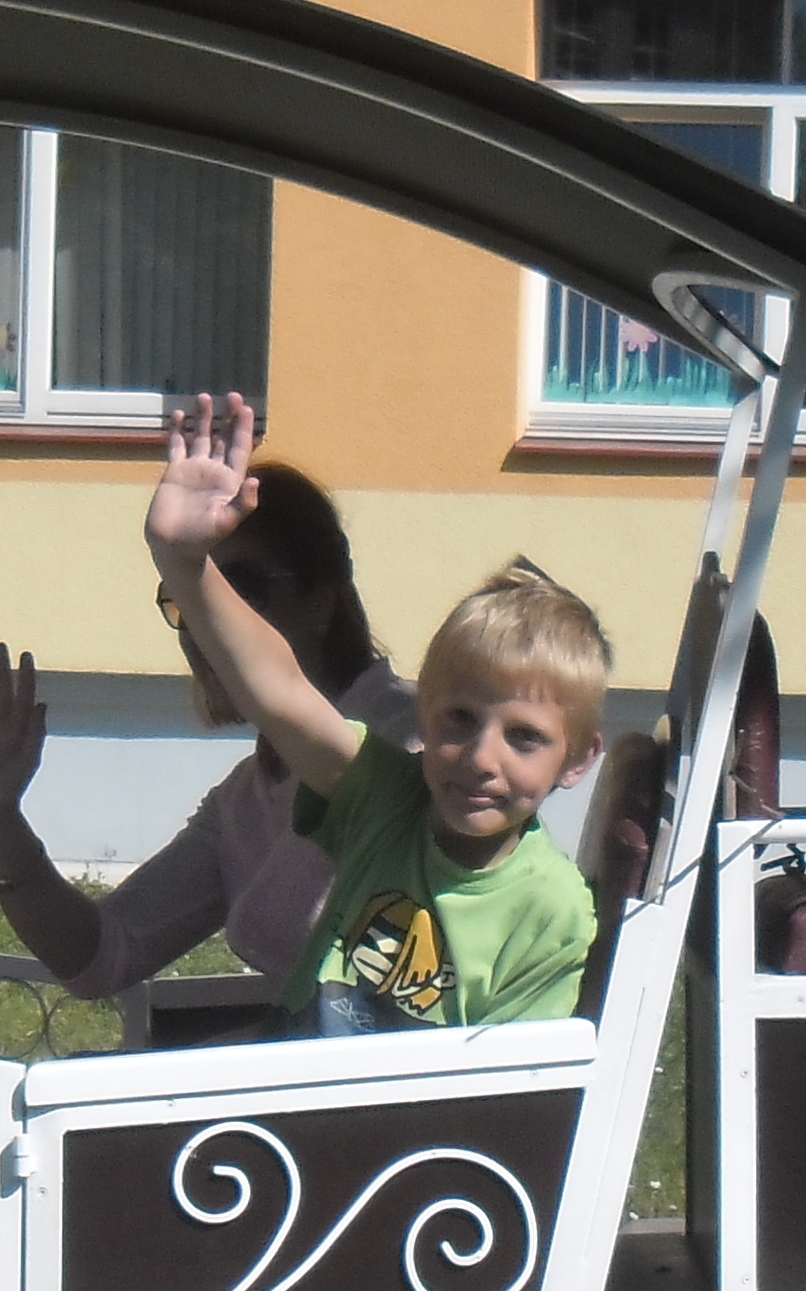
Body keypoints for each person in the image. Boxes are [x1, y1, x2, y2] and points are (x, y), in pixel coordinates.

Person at [145, 393, 607, 1033]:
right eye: (458, 720)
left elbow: (513, 1082)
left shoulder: (553, 910)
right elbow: (278, 689)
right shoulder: (381, 797)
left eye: (525, 738)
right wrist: (182, 562)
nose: (481, 758)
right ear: (424, 713)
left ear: (578, 759)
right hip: (288, 1075)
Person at [0, 454, 415, 1007]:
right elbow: (103, 957)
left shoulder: (414, 742)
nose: (201, 624)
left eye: (239, 589)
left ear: (320, 603)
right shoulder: (246, 798)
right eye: (185, 600)